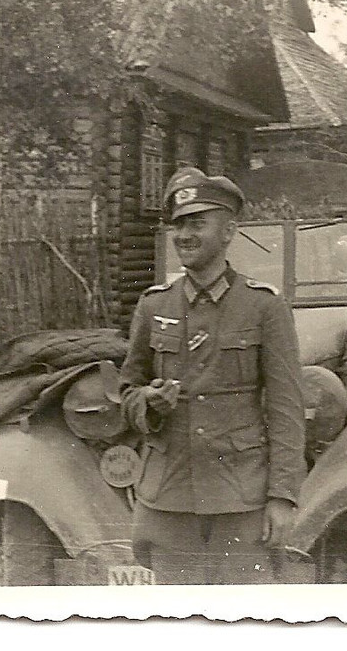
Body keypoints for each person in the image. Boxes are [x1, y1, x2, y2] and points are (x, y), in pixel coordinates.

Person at [120, 167, 307, 585]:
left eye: (197, 223)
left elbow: (286, 408)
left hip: (241, 500)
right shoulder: (153, 306)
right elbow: (127, 391)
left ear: (228, 232)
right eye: (179, 225)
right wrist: (147, 405)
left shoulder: (264, 307)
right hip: (169, 500)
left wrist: (282, 496)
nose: (184, 235)